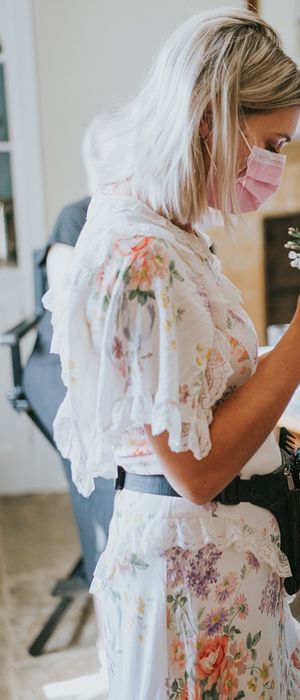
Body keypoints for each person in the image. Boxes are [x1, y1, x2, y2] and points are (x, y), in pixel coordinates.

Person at [44, 10, 300, 698]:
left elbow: (203, 390)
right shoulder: (144, 257)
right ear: (211, 119)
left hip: (224, 568)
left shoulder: (174, 235)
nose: (277, 165)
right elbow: (198, 469)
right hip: (192, 587)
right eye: (273, 142)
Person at [24, 113, 116, 584]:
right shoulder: (76, 217)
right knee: (99, 440)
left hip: (109, 359)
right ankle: (108, 555)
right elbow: (67, 311)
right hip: (58, 362)